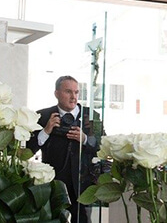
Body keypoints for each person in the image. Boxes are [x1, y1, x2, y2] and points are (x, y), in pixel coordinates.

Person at [27, 76, 104, 223]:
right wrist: (46, 131)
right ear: (56, 93)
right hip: (53, 185)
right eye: (68, 92)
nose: (73, 97)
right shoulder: (42, 116)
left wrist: (85, 139)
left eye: (76, 92)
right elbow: (29, 149)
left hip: (83, 185)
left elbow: (102, 147)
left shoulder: (91, 116)